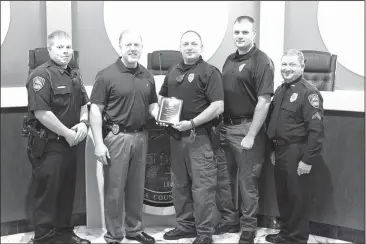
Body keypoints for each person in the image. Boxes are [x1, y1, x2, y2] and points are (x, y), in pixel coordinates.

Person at [89, 30, 158, 244]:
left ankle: (134, 230)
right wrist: (99, 144)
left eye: (136, 44)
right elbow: (95, 111)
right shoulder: (106, 75)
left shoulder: (147, 75)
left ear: (142, 47)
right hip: (116, 138)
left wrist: (161, 113)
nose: (132, 48)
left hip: (140, 136)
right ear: (120, 47)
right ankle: (114, 234)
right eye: (128, 44)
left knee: (137, 188)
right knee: (115, 189)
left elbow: (152, 104)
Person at [25, 30, 91, 244]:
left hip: (71, 144)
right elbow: (41, 113)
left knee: (66, 190)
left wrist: (83, 122)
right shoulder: (40, 75)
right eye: (60, 47)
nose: (65, 51)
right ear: (49, 49)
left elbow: (84, 102)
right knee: (47, 192)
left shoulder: (75, 74)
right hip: (49, 145)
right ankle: (44, 237)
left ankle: (64, 233)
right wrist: (69, 133)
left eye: (68, 47)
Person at [159, 30, 224, 244]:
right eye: (185, 44)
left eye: (194, 44)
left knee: (202, 187)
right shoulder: (173, 71)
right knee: (179, 185)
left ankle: (204, 232)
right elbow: (161, 96)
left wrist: (193, 122)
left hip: (199, 137)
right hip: (176, 137)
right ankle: (185, 226)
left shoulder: (209, 71)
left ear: (201, 47)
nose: (189, 47)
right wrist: (161, 114)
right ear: (180, 47)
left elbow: (217, 106)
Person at [215, 16, 275, 244]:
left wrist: (251, 135)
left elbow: (264, 101)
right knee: (225, 179)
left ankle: (248, 226)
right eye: (237, 32)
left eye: (245, 32)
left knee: (247, 182)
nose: (240, 36)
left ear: (254, 34)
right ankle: (230, 219)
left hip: (247, 129)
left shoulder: (261, 60)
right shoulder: (229, 60)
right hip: (225, 127)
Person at [265, 49, 324, 244]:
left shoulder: (309, 93)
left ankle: (297, 238)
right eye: (284, 64)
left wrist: (307, 160)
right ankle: (286, 234)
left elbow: (316, 132)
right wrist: (273, 149)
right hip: (280, 151)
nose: (287, 69)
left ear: (302, 67)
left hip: (297, 152)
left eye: (292, 65)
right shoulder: (281, 90)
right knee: (284, 196)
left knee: (297, 198)